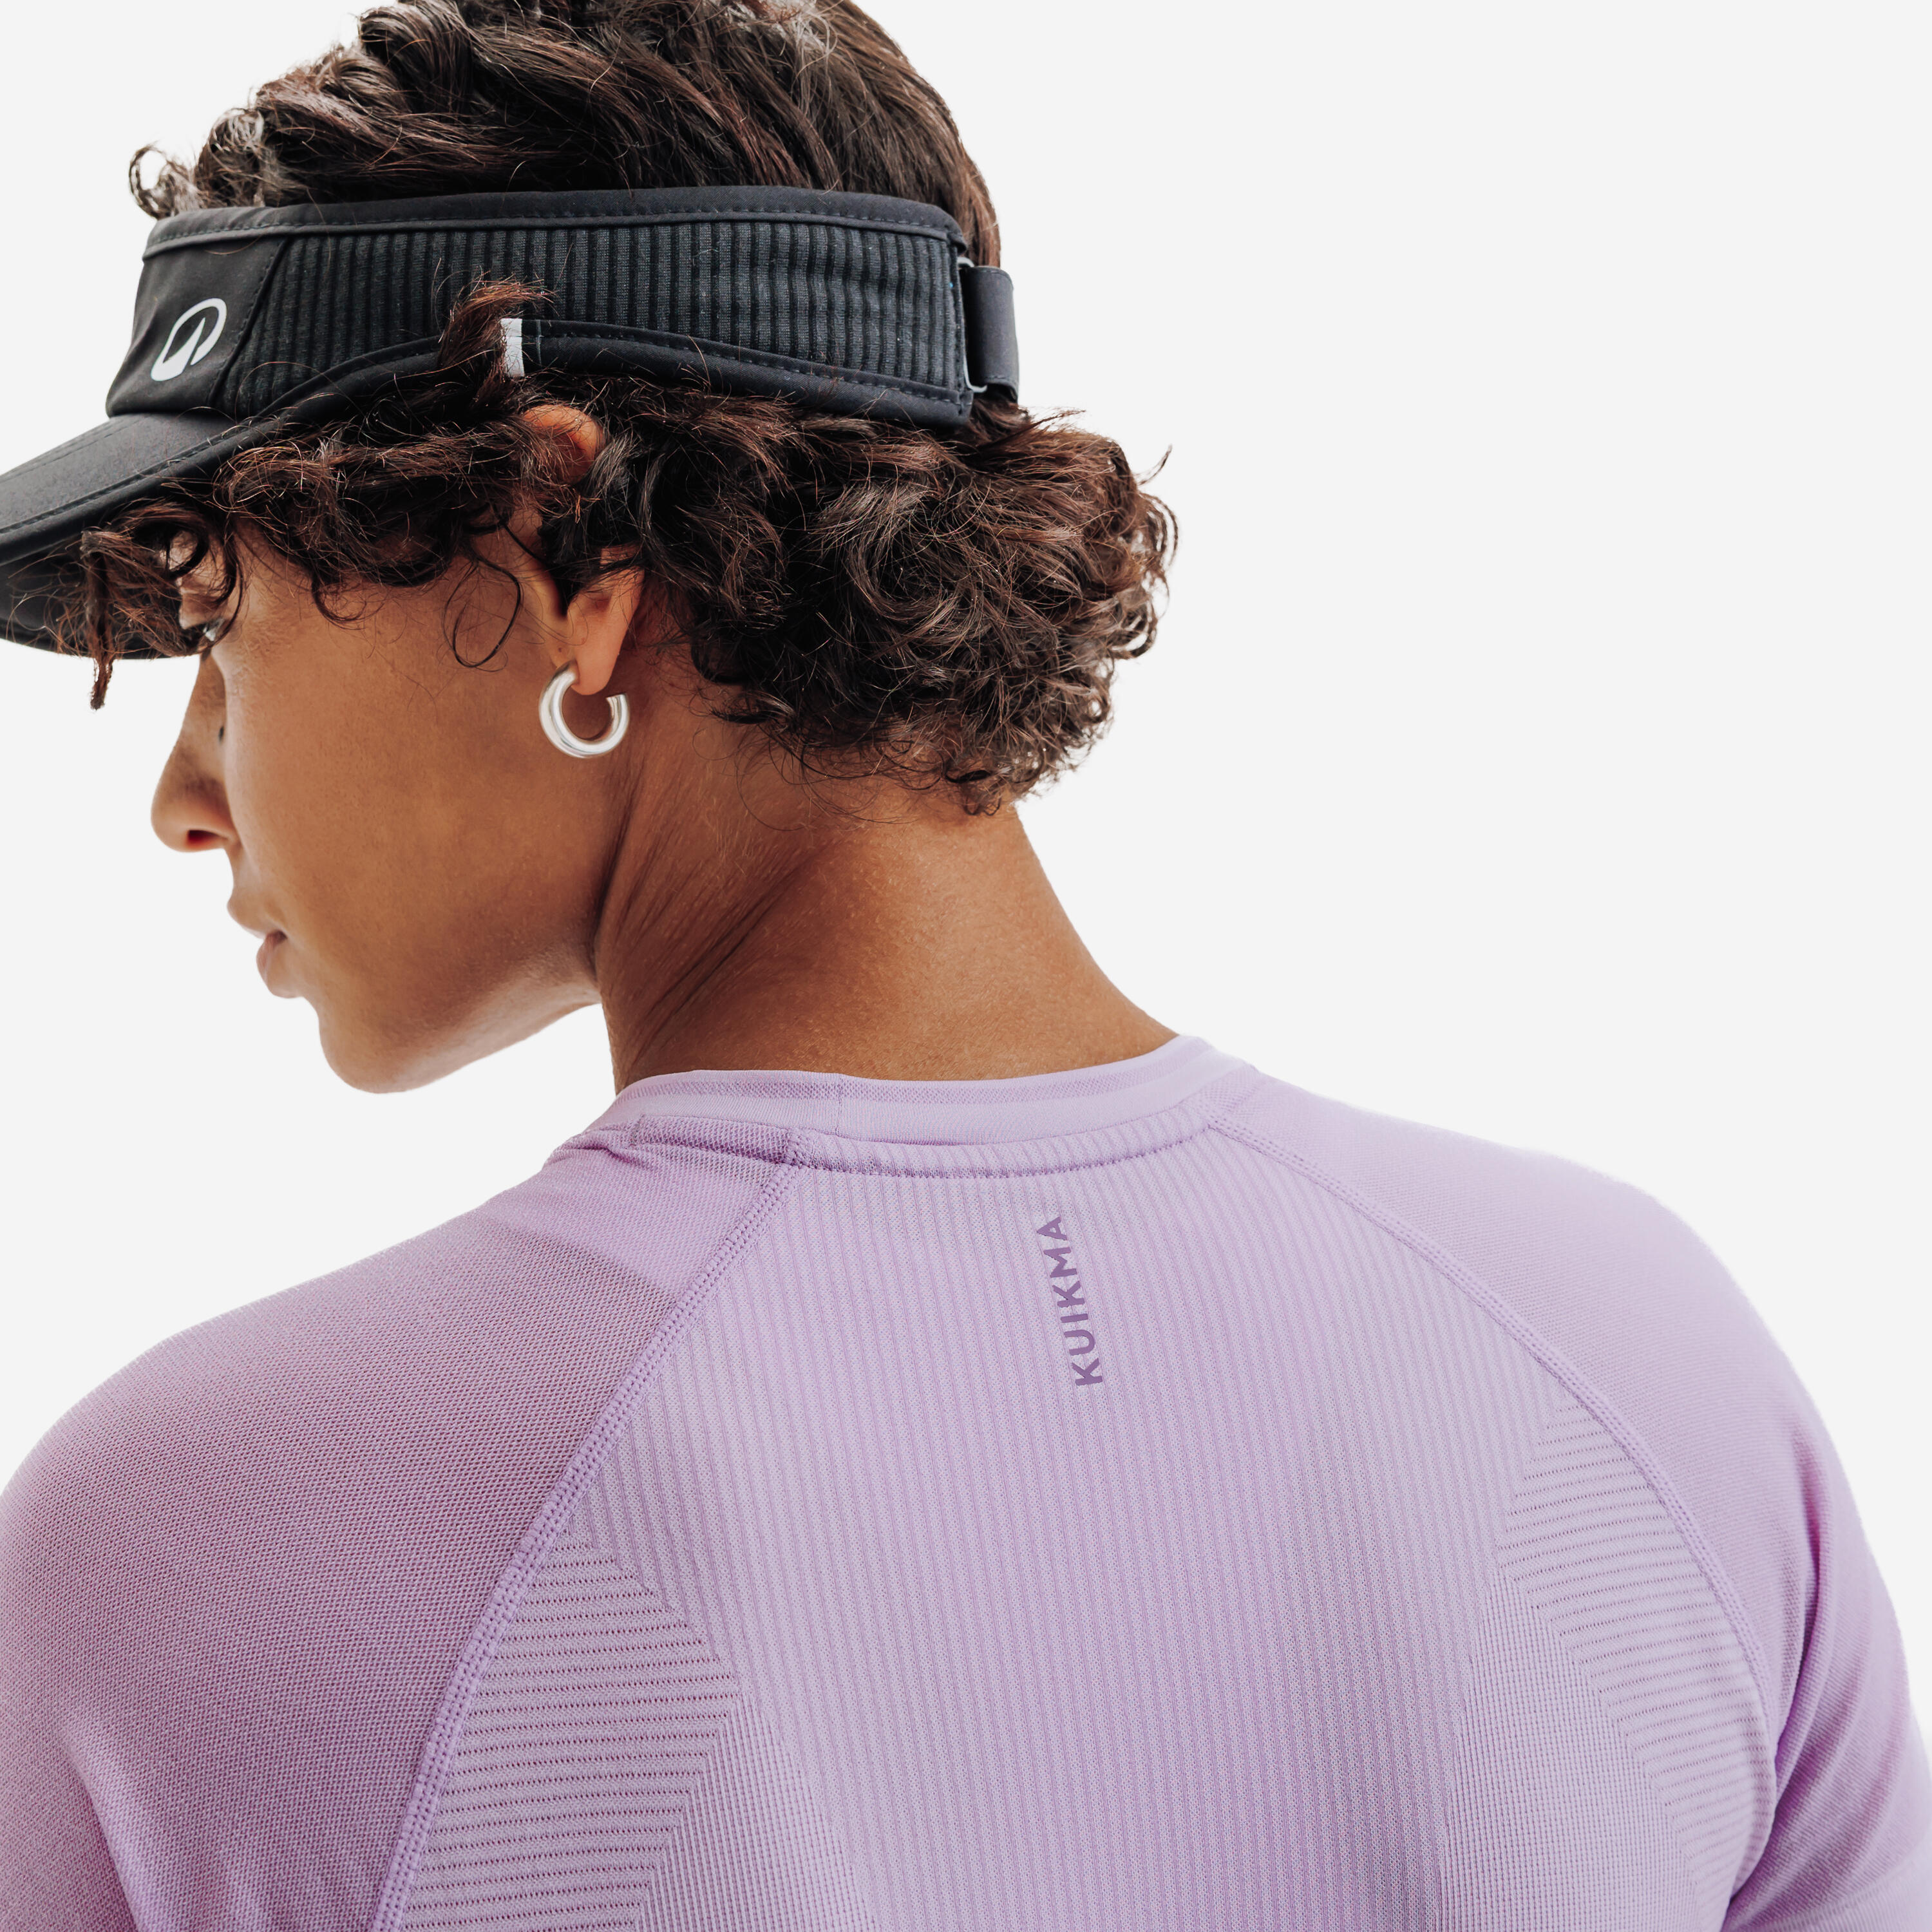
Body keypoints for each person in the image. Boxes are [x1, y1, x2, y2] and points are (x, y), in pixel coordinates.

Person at [1, 2, 1926, 1926]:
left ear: (563, 559)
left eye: (220, 625)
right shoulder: (1641, 1368)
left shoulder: (207, 1536)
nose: (186, 798)